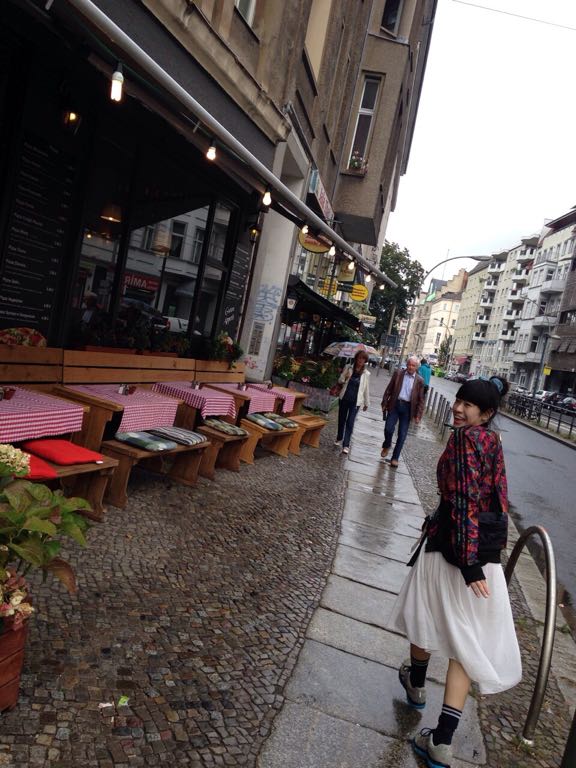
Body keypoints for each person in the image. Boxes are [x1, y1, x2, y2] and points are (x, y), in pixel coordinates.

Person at [388, 376, 521, 768]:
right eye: (458, 400)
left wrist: (468, 563)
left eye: (468, 405)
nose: (458, 408)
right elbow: (497, 499)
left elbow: (463, 502)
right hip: (483, 554)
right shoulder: (492, 441)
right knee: (465, 643)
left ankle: (416, 684)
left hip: (452, 550)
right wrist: (481, 560)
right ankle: (442, 742)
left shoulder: (464, 440)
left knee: (422, 615)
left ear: (487, 413)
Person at [381, 355, 425, 467]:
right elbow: (389, 389)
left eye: (413, 365)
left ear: (417, 367)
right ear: (407, 364)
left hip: (408, 409)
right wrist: (384, 403)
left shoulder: (420, 381)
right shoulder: (398, 373)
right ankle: (387, 444)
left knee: (402, 434)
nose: (410, 367)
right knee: (388, 428)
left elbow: (421, 400)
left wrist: (418, 415)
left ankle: (395, 458)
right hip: (395, 404)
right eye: (409, 364)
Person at [334, 350, 370, 455]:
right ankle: (339, 437)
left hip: (356, 402)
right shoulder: (348, 367)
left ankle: (346, 445)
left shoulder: (366, 374)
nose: (361, 360)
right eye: (360, 358)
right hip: (344, 398)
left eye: (363, 359)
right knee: (342, 419)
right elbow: (340, 380)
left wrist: (367, 403)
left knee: (350, 422)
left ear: (365, 361)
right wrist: (344, 377)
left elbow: (366, 389)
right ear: (356, 358)